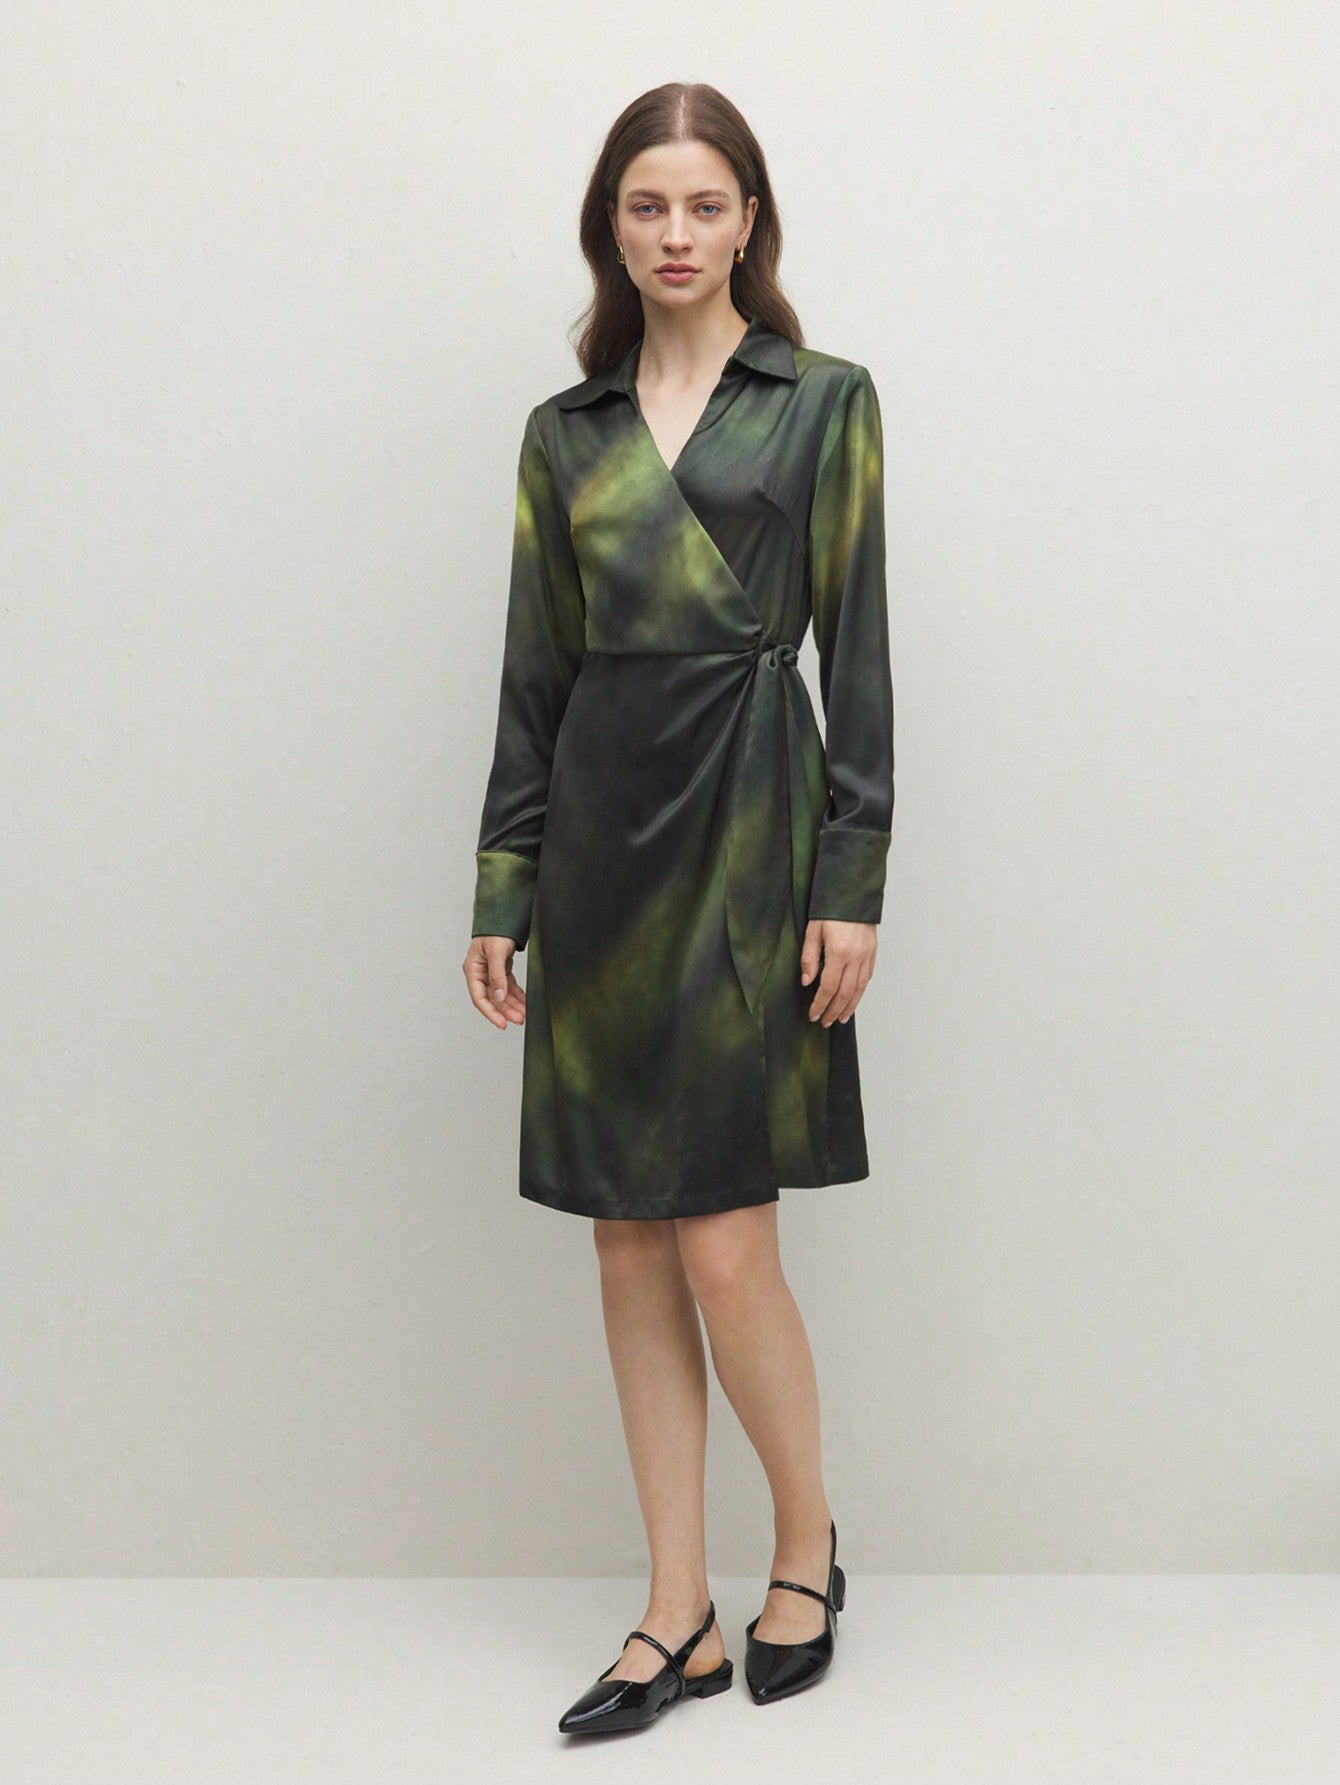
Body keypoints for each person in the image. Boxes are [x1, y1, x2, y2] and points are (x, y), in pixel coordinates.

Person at [463, 81, 893, 1733]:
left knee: (722, 1232)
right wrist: (504, 880)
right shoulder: (562, 433)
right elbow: (534, 674)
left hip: (753, 826)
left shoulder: (823, 400)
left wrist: (852, 878)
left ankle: (806, 1542)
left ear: (748, 220)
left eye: (705, 204)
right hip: (601, 846)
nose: (676, 233)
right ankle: (674, 1608)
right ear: (612, 225)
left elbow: (859, 658)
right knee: (628, 1235)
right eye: (647, 205)